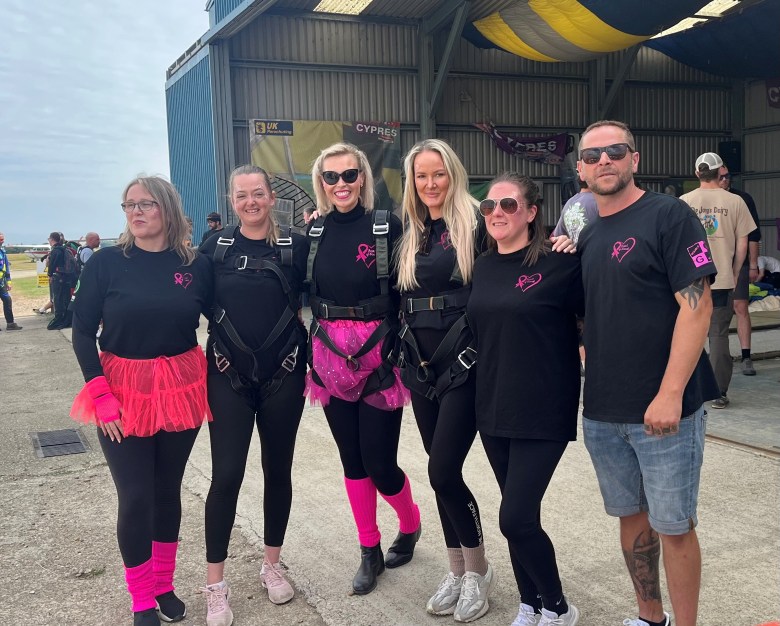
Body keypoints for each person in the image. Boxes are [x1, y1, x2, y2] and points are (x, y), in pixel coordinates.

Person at [577, 120, 719, 626]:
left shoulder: (669, 215)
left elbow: (697, 308)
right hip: (604, 411)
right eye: (592, 156)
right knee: (632, 522)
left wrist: (670, 393)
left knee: (674, 526)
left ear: (634, 158)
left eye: (614, 151)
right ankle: (648, 617)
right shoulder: (590, 235)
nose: (604, 161)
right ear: (580, 171)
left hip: (666, 412)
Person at [69, 176, 213, 626]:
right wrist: (100, 394)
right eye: (129, 204)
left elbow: (225, 317)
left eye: (145, 203)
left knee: (167, 491)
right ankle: (141, 599)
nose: (135, 211)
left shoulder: (195, 264)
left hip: (180, 386)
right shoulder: (107, 263)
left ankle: (164, 584)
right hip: (122, 390)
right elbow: (80, 332)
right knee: (135, 496)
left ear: (167, 208)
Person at [305, 142, 420, 596]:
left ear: (363, 179)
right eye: (331, 177)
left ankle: (409, 523)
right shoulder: (311, 234)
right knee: (352, 461)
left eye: (349, 175)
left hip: (379, 355)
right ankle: (369, 549)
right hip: (329, 355)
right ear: (321, 183)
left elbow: (418, 274)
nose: (340, 185)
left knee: (379, 461)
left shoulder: (386, 227)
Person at [468, 173, 583, 626]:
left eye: (509, 205)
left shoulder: (560, 264)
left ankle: (559, 607)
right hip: (493, 404)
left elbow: (596, 314)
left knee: (514, 518)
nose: (497, 213)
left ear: (532, 213)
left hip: (543, 405)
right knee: (516, 514)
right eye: (490, 206)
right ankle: (529, 603)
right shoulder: (483, 266)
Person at [198, 165, 309, 625]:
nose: (251, 202)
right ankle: (215, 585)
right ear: (232, 200)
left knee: (276, 470)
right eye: (241, 195)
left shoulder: (296, 247)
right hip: (228, 376)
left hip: (284, 374)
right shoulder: (215, 248)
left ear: (270, 197)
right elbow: (186, 299)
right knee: (226, 476)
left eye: (258, 193)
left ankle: (271, 564)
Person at [395, 139, 495, 622]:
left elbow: (517, 256)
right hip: (421, 367)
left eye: (438, 174)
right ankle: (456, 569)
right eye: (421, 176)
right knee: (440, 474)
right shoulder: (411, 231)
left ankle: (478, 570)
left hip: (465, 365)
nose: (430, 184)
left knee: (442, 471)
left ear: (453, 174)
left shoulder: (476, 224)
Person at [680, 152, 755, 408]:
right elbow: (743, 243)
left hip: (690, 280)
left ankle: (686, 387)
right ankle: (719, 392)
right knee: (718, 335)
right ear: (720, 171)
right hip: (722, 278)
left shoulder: (683, 202)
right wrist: (734, 272)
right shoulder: (735, 202)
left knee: (687, 332)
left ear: (697, 172)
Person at [717, 169, 762, 375]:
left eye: (728, 176)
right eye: (721, 176)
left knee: (740, 306)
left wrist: (753, 264)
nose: (725, 180)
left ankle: (746, 356)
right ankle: (712, 357)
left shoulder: (742, 198)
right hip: (713, 262)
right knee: (709, 310)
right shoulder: (704, 199)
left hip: (739, 261)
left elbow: (753, 234)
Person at [552, 179, 598, 374]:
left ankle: (584, 361)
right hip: (596, 270)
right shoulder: (599, 202)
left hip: (575, 272)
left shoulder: (570, 204)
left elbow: (555, 237)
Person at [46, 231, 76, 330]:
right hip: (66, 278)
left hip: (58, 278)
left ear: (51, 239)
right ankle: (68, 319)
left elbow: (52, 265)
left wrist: (50, 275)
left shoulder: (56, 251)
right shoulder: (65, 249)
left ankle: (59, 319)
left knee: (58, 299)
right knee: (66, 298)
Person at [0, 232, 22, 331]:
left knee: (7, 300)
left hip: (2, 282)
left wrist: (8, 281)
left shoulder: (3, 251)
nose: (2, 241)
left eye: (3, 239)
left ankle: (10, 323)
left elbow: (6, 267)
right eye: (1, 239)